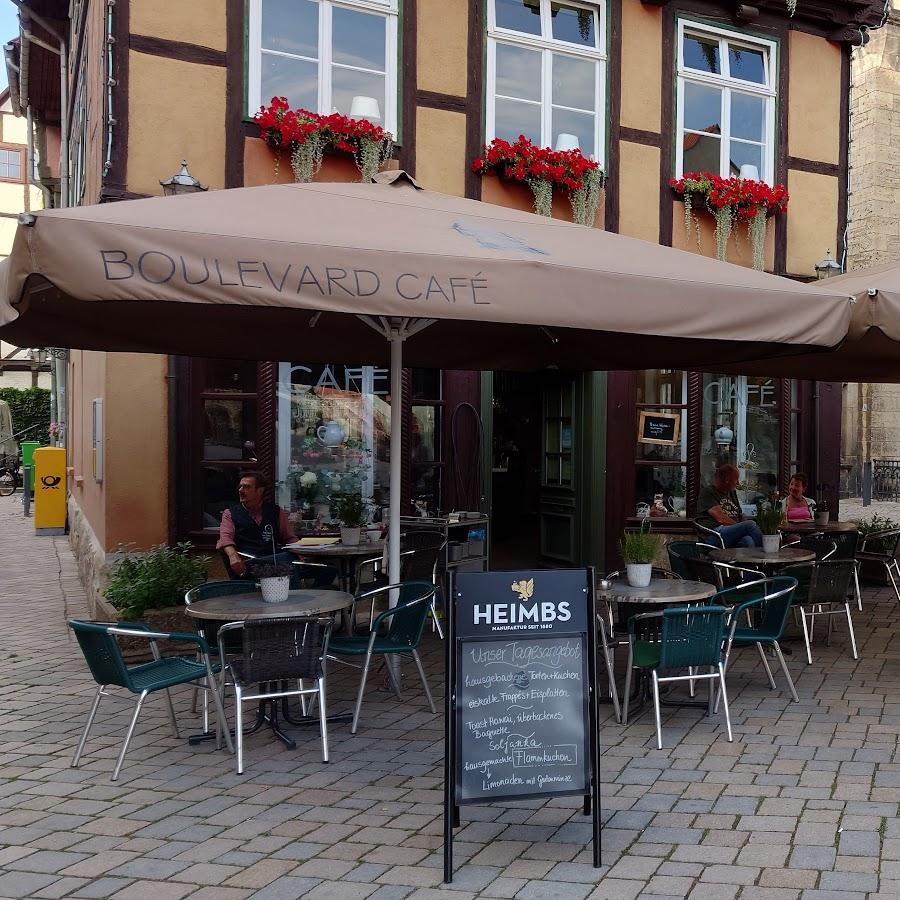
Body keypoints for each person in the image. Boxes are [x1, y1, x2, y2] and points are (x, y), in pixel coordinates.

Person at [217, 470, 336, 586]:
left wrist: (302, 554)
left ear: (260, 491)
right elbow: (225, 538)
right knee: (287, 560)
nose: (241, 490)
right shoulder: (230, 513)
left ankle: (311, 600)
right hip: (250, 564)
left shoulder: (275, 511)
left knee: (329, 568)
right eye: (240, 487)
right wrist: (233, 556)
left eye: (246, 487)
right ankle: (295, 602)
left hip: (276, 561)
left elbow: (289, 538)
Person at [696, 463, 764, 548]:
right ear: (727, 480)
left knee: (748, 541)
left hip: (729, 532)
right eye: (736, 480)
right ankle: (767, 553)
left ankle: (747, 561)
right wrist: (741, 527)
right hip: (714, 534)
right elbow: (721, 518)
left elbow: (739, 514)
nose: (738, 483)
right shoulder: (708, 492)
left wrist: (742, 522)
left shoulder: (731, 493)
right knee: (750, 525)